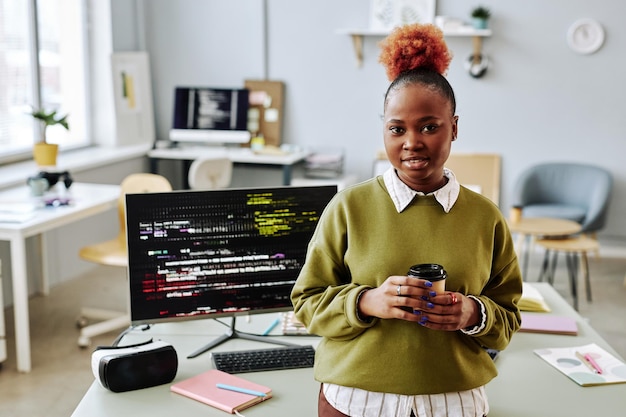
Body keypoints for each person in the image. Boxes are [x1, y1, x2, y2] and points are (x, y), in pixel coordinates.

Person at [291, 23, 522, 417]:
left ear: (454, 127)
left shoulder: (486, 218)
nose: (411, 142)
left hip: (454, 402)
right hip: (354, 401)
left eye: (429, 127)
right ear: (384, 131)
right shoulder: (348, 207)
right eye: (396, 129)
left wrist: (472, 313)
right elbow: (306, 303)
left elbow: (508, 316)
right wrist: (366, 301)